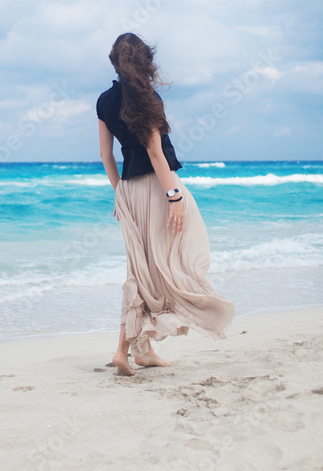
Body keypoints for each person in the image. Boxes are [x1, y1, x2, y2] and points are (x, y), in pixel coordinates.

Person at [96, 32, 235, 376]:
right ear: (146, 61)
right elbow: (156, 153)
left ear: (114, 61)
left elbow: (105, 155)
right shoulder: (146, 98)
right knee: (178, 260)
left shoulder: (103, 100)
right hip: (157, 188)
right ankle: (132, 347)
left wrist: (119, 194)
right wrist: (174, 196)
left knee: (140, 270)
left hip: (128, 190)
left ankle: (134, 351)